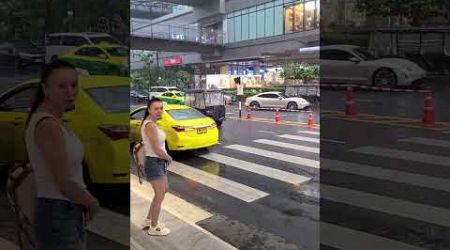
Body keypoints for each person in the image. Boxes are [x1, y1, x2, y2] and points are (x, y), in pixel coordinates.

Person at [25, 60, 100, 250]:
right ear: (45, 88)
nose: (70, 92)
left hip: (63, 211)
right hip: (58, 213)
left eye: (74, 85)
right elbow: (64, 182)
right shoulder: (48, 125)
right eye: (61, 86)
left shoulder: (55, 120)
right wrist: (92, 203)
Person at [140, 97, 172, 236]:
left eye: (161, 108)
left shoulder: (153, 123)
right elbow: (157, 148)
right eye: (156, 108)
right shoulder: (150, 125)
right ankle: (154, 227)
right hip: (154, 162)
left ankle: (148, 220)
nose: (159, 111)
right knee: (159, 195)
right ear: (149, 110)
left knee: (163, 191)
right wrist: (168, 157)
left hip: (158, 161)